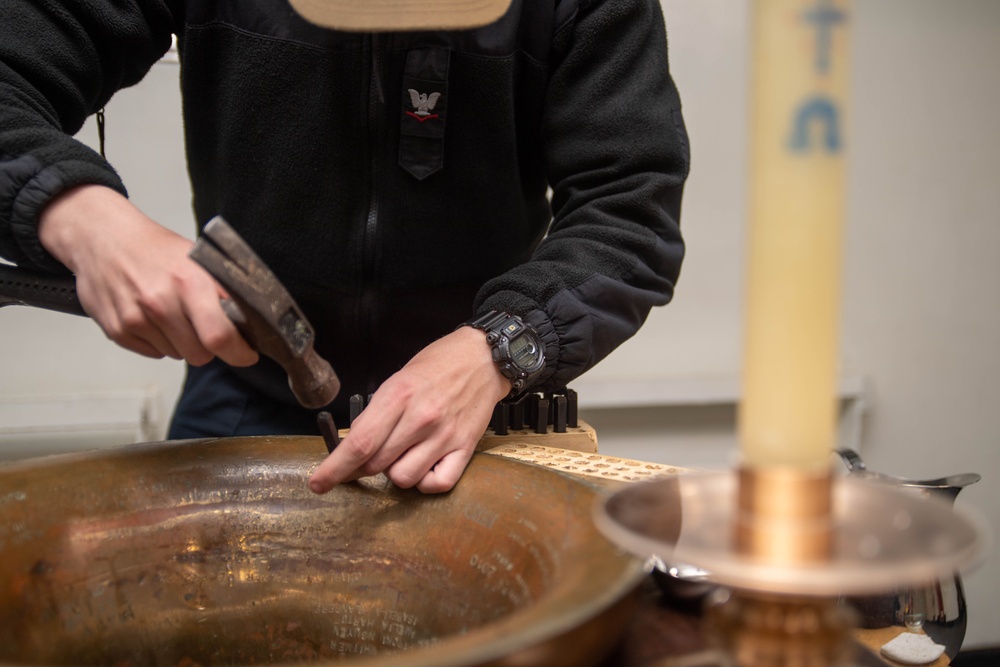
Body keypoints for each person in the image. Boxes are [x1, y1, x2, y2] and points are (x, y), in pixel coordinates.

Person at [0, 0, 689, 494]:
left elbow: (630, 208)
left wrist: (503, 345)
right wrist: (81, 216)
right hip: (246, 389)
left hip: (478, 403)